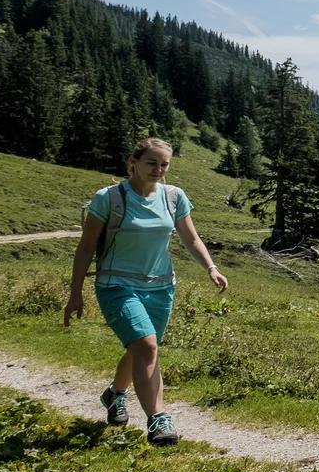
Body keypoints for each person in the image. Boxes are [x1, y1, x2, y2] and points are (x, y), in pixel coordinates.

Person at [63, 137, 228, 446]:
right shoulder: (108, 198)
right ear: (134, 162)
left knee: (140, 348)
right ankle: (158, 420)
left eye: (164, 164)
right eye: (152, 162)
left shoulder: (174, 197)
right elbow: (85, 247)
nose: (158, 169)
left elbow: (190, 238)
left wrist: (211, 267)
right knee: (148, 347)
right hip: (116, 285)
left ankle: (114, 395)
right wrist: (76, 292)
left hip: (161, 286)